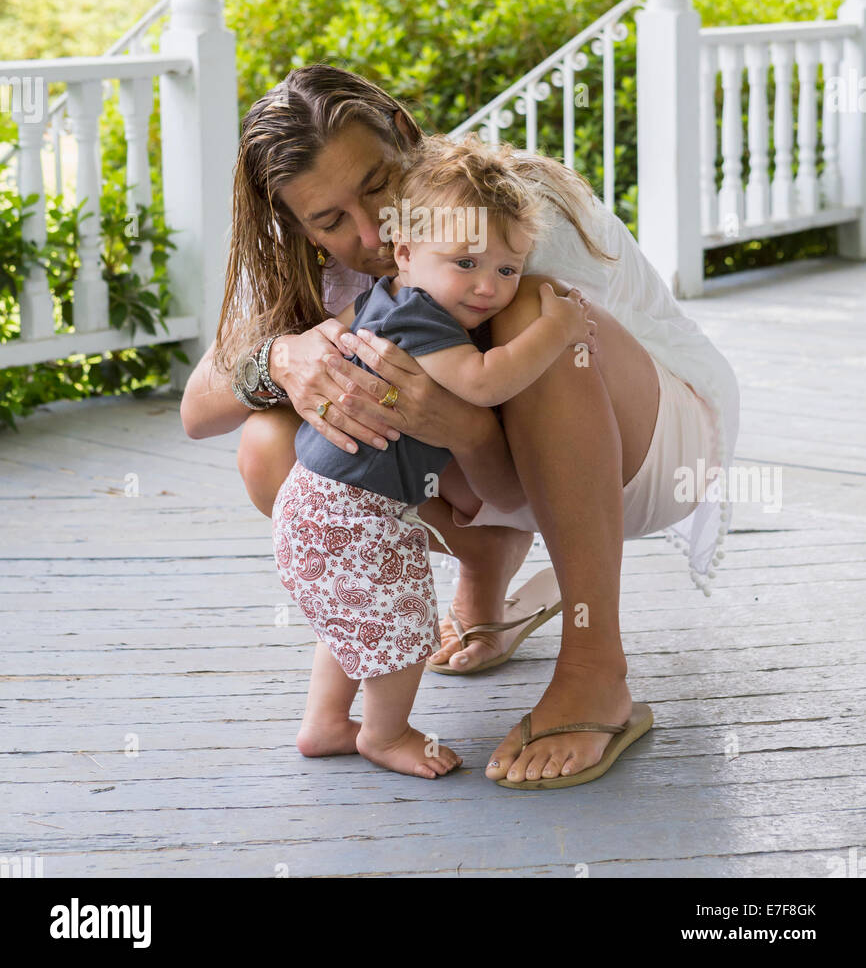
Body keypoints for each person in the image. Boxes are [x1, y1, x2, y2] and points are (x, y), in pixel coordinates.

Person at [181, 63, 739, 791]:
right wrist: (284, 356)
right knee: (271, 444)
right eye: (329, 220)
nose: (373, 231)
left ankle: (595, 665)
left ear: (407, 137)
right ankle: (481, 571)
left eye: (378, 186)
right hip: (510, 463)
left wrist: (460, 425)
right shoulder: (326, 261)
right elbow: (199, 407)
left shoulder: (494, 213)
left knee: (531, 314)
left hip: (656, 443)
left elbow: (532, 414)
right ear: (296, 222)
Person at [273, 132, 595, 779]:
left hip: (319, 506)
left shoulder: (387, 300)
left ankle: (327, 723)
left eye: (508, 269)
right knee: (402, 624)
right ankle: (386, 734)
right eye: (466, 263)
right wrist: (556, 329)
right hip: (350, 513)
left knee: (361, 617)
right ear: (406, 254)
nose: (488, 287)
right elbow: (484, 381)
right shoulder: (419, 318)